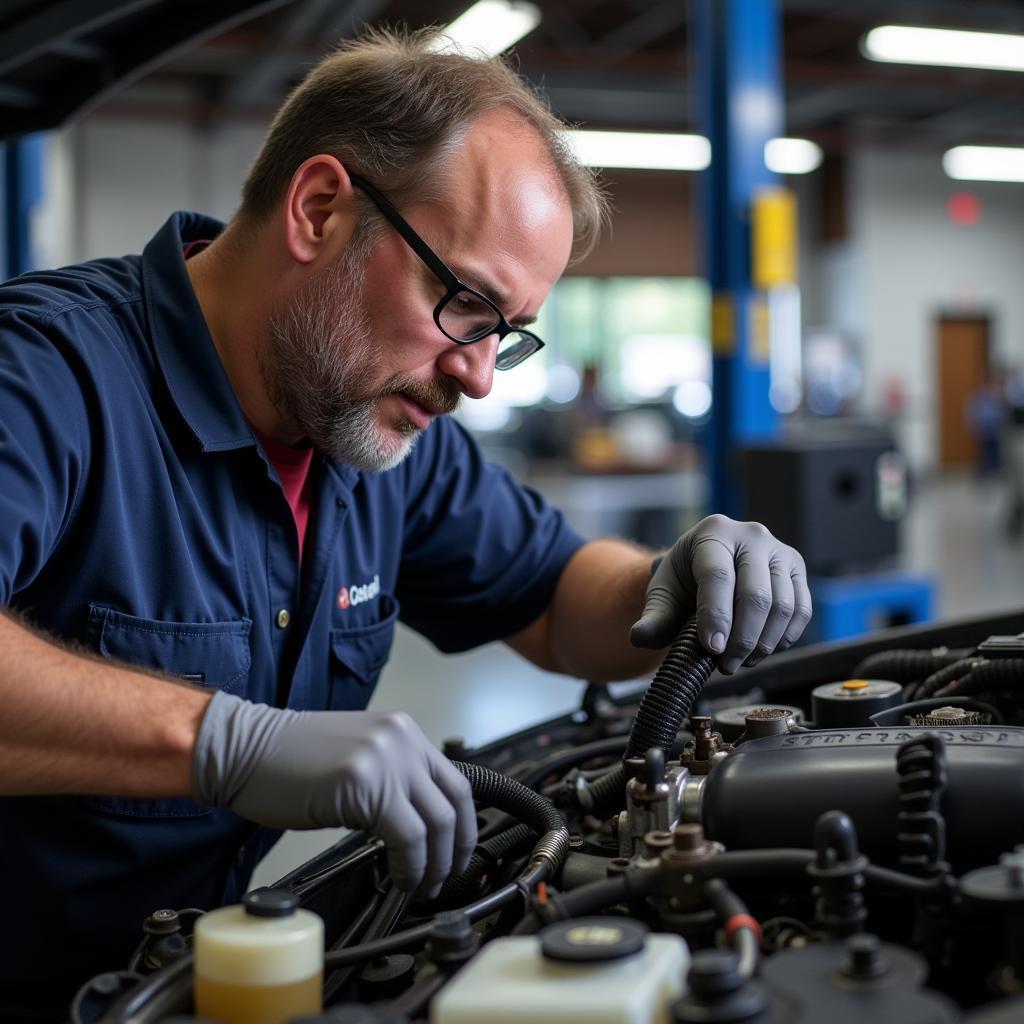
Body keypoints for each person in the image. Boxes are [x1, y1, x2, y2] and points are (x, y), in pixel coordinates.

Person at [0, 27, 811, 1020]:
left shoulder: (371, 435)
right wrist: (228, 742)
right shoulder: (45, 377)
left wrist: (670, 578)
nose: (475, 374)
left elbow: (555, 598)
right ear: (320, 210)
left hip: (178, 984)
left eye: (505, 334)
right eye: (463, 302)